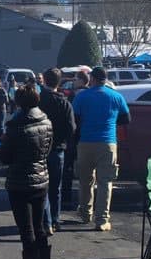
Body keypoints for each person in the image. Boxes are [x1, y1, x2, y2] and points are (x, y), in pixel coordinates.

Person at [0, 83, 53, 259]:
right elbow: (47, 149)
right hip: (41, 178)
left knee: (26, 229)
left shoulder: (15, 125)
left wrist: (4, 142)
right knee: (40, 227)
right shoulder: (46, 121)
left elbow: (5, 157)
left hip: (20, 181)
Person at [71, 66, 130, 231]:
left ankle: (85, 213)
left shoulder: (82, 97)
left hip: (85, 142)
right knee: (105, 182)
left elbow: (75, 120)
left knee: (85, 181)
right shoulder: (116, 97)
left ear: (93, 79)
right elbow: (126, 119)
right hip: (108, 143)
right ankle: (102, 220)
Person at [38, 68, 76, 232]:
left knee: (41, 187)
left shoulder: (39, 101)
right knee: (56, 187)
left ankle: (45, 220)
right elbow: (71, 127)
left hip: (39, 148)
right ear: (59, 82)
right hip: (58, 148)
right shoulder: (64, 103)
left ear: (44, 80)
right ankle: (55, 219)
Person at [60, 69, 89, 213]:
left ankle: (66, 198)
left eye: (76, 78)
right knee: (87, 172)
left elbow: (71, 115)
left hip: (74, 136)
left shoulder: (75, 95)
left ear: (82, 80)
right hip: (87, 136)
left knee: (68, 168)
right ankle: (85, 202)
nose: (74, 81)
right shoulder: (90, 94)